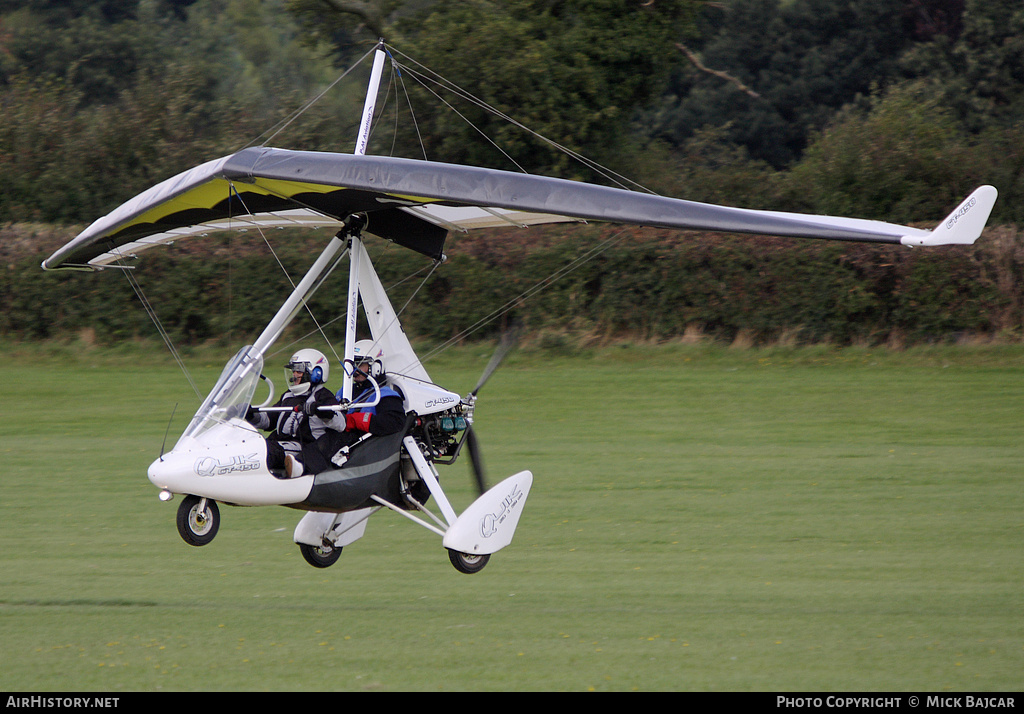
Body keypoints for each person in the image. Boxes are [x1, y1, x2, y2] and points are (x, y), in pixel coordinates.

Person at [246, 348, 344, 478]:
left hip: (303, 448)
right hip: (279, 444)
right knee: (251, 446)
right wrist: (250, 415)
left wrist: (321, 411)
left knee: (261, 453)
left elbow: (341, 424)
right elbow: (269, 420)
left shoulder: (323, 396)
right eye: (293, 371)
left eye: (299, 371)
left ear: (316, 373)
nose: (295, 375)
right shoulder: (288, 395)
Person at [317, 339, 407, 466]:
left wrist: (355, 420)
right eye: (353, 365)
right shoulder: (346, 391)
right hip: (338, 439)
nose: (355, 370)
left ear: (376, 366)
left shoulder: (385, 394)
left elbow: (395, 422)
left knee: (321, 447)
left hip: (362, 447)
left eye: (360, 365)